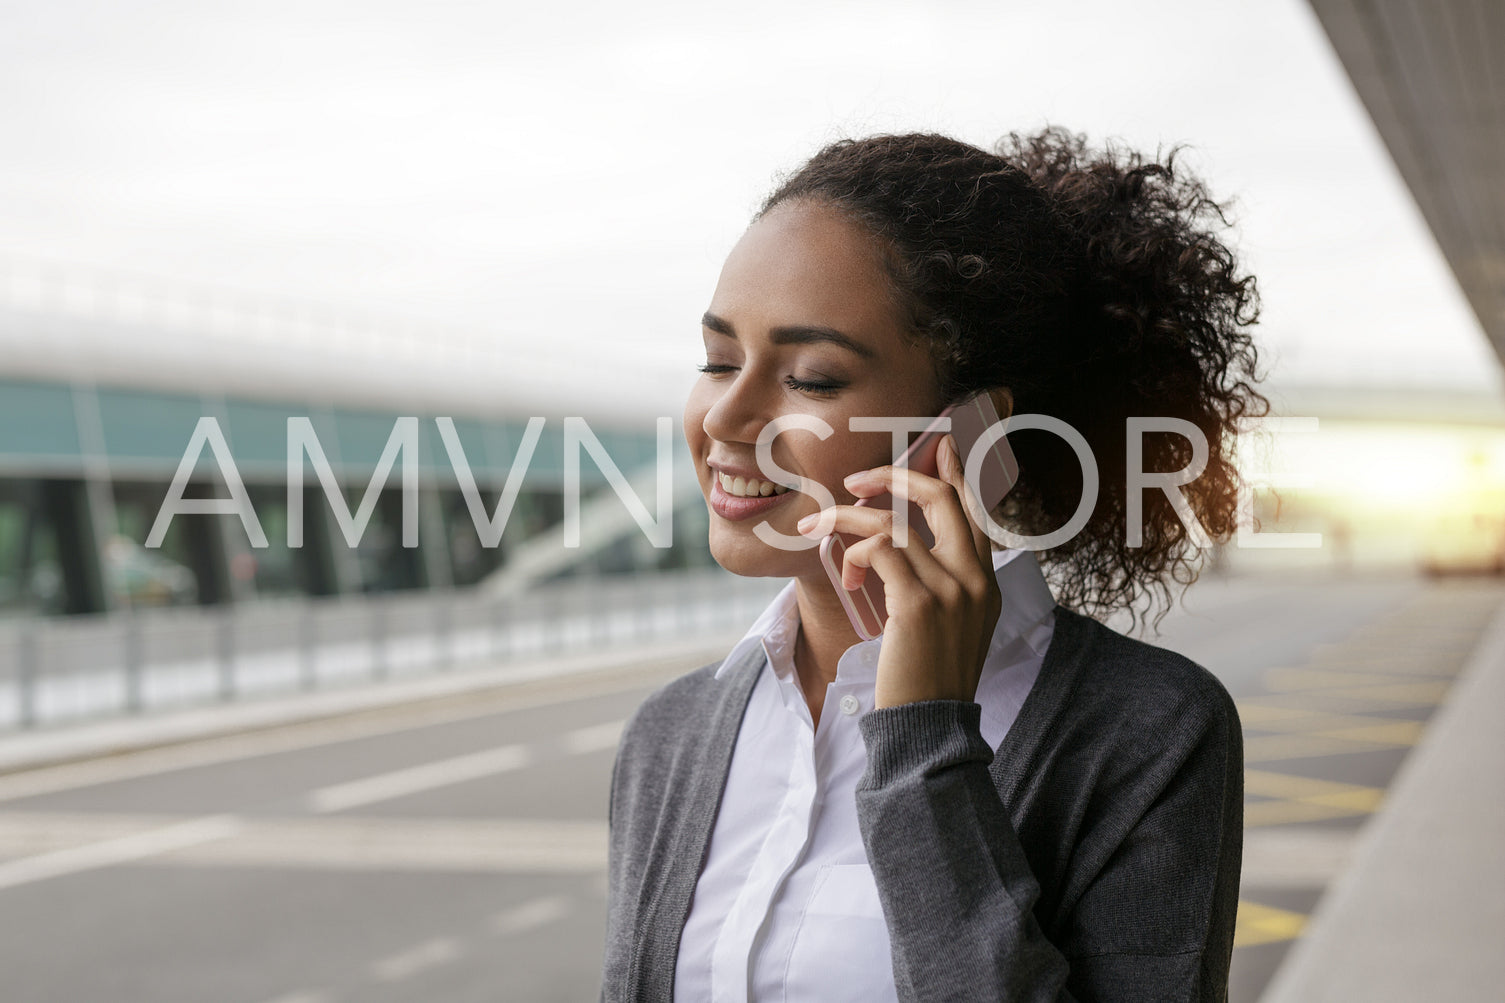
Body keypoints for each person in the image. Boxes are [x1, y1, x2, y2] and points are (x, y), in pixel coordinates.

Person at [600, 127, 1268, 1002]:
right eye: (717, 359)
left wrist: (924, 738)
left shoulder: (1150, 731)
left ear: (975, 432)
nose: (725, 415)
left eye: (809, 377)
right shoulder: (672, 733)